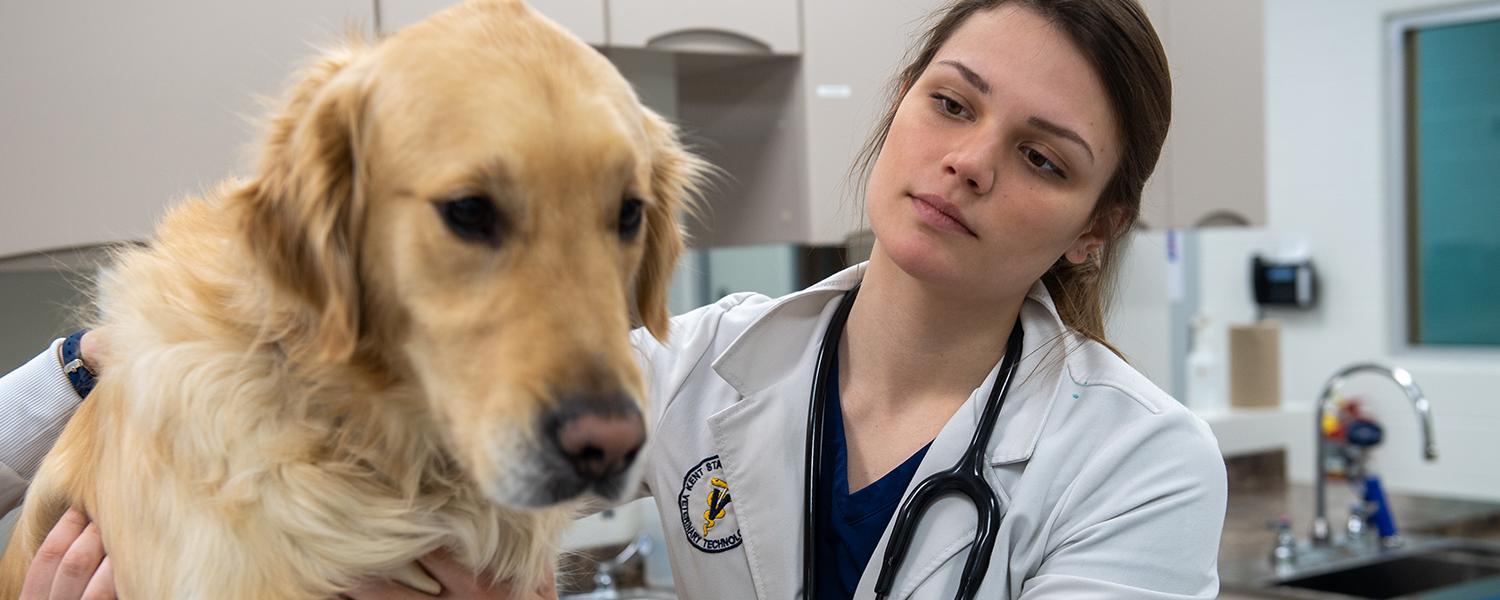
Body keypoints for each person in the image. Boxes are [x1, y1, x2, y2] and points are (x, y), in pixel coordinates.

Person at [2, 0, 1226, 597]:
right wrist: (97, 368)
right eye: (952, 103)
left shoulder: (1141, 460)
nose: (969, 160)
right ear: (903, 102)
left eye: (1044, 158)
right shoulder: (702, 364)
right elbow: (331, 385)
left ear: (1096, 228)